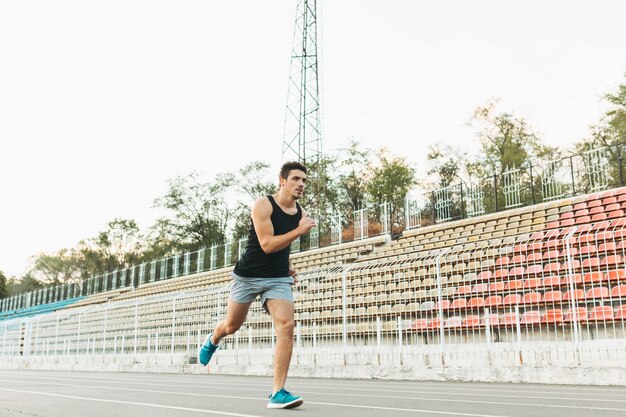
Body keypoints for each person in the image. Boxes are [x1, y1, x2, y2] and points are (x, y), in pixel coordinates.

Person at [198, 161, 316, 409]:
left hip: (277, 278)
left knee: (287, 325)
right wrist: (300, 230)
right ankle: (214, 338)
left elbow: (281, 249)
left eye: (304, 180)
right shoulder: (263, 204)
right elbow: (267, 244)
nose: (301, 184)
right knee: (232, 325)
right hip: (248, 275)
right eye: (296, 179)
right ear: (282, 181)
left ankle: (277, 392)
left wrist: (285, 268)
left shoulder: (299, 212)